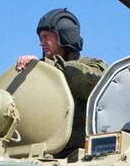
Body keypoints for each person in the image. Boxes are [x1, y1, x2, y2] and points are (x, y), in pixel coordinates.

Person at [14, 9, 107, 154]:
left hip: (81, 152)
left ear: (64, 36)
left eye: (46, 37)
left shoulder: (93, 66)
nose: (41, 43)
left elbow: (88, 80)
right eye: (40, 38)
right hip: (42, 151)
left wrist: (46, 66)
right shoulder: (38, 70)